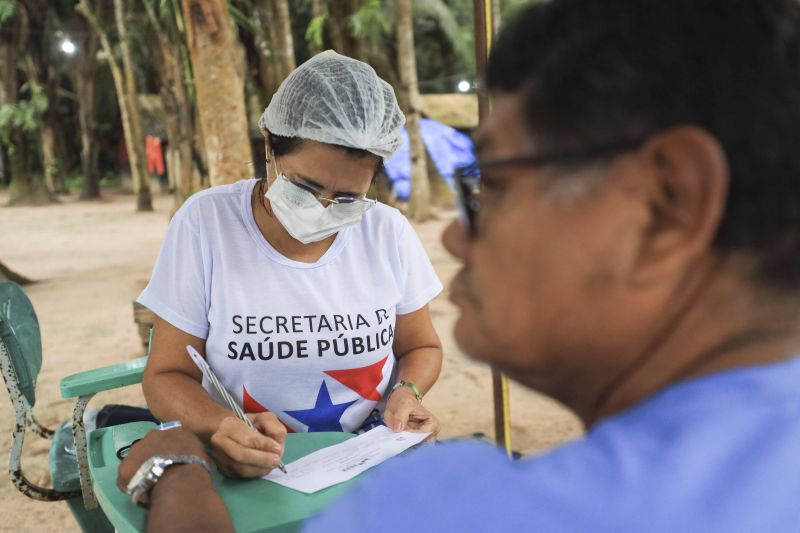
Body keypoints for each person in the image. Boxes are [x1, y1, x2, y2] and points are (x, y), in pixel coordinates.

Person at [121, 0, 800, 530]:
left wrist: (177, 469)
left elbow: (418, 346)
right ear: (271, 147)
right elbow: (171, 368)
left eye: (492, 184)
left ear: (669, 203)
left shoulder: (447, 510)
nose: (452, 238)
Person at [137, 50, 444, 479]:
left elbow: (420, 346)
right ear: (269, 145)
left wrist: (406, 393)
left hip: (367, 453)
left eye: (346, 198)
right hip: (247, 459)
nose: (321, 209)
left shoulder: (385, 232)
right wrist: (221, 425)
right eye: (305, 186)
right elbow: (166, 375)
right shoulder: (206, 224)